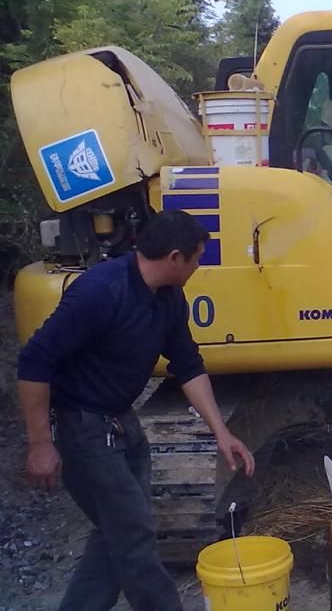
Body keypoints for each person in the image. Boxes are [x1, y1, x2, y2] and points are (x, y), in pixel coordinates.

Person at [17, 210, 256, 611]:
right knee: (135, 534)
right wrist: (40, 444)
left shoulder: (169, 298)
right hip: (83, 427)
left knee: (118, 533)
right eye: (197, 258)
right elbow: (34, 361)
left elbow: (188, 365)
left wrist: (222, 433)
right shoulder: (100, 292)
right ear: (175, 257)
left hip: (122, 424)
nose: (199, 267)